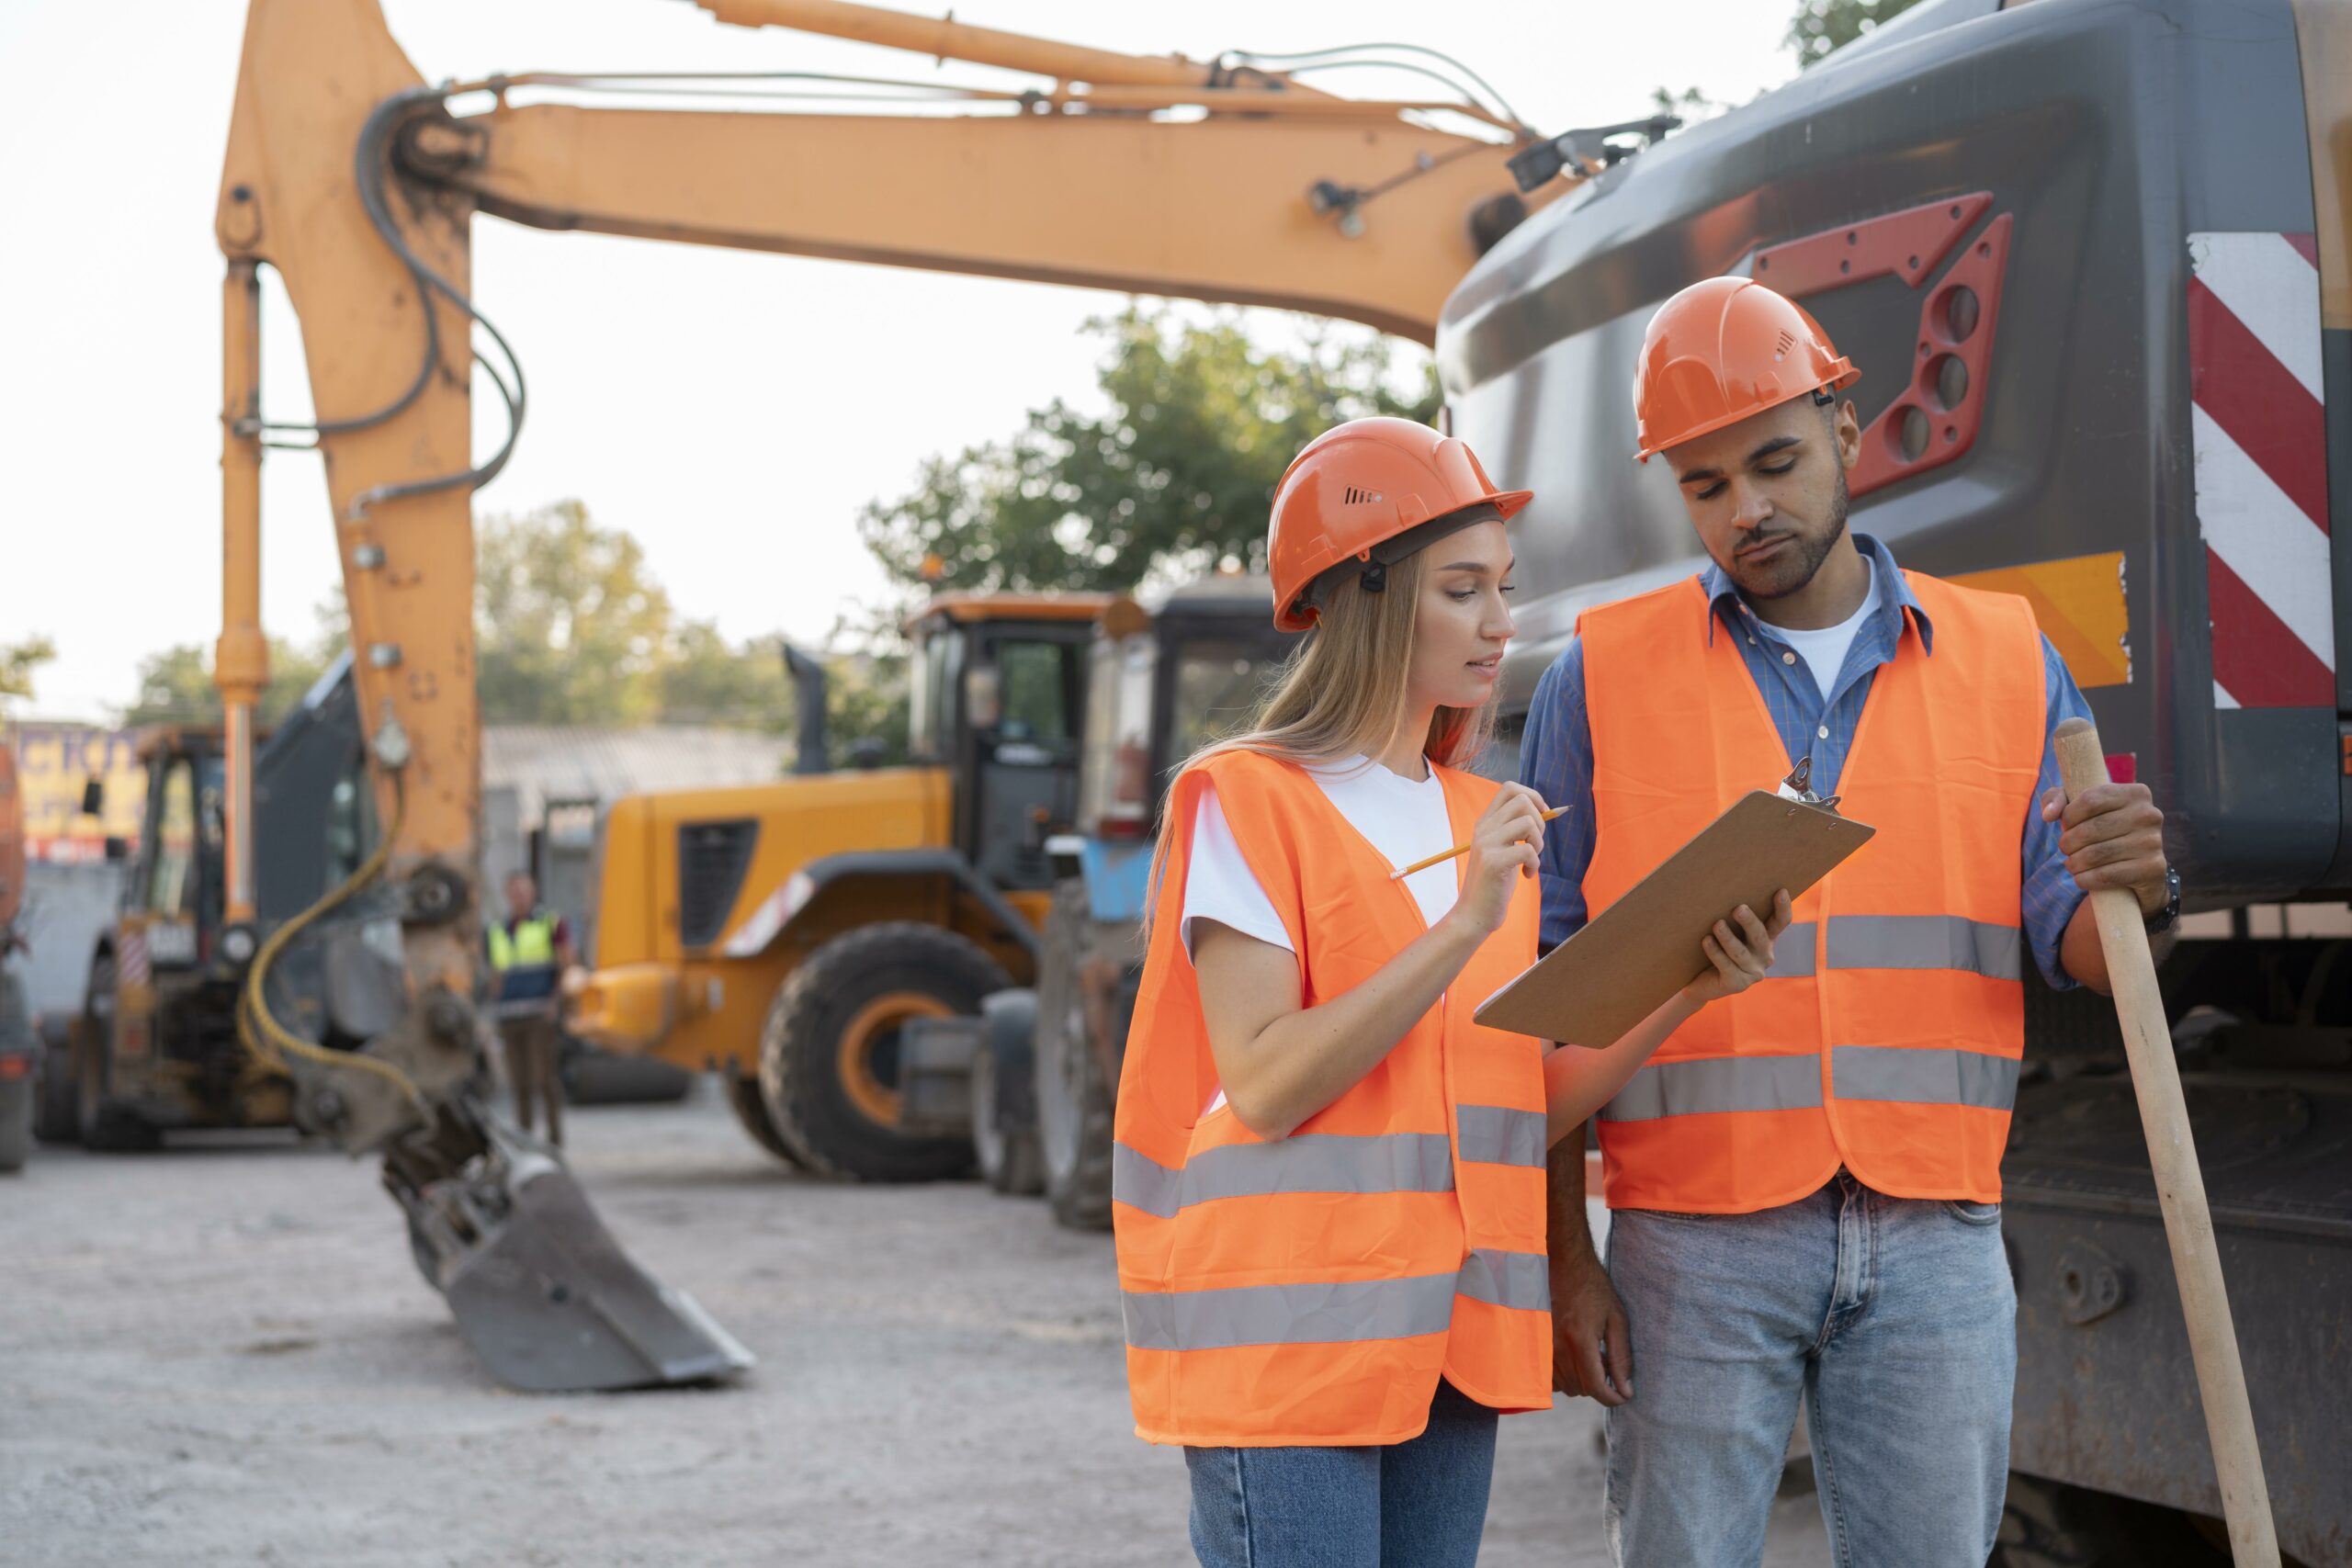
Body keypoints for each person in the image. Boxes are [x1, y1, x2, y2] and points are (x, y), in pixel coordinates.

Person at [1519, 277, 2177, 1567]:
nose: (1747, 508)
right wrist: (1564, 1258)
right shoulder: (1597, 676)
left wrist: (2136, 882)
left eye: (1772, 461)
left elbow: (2081, 938)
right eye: (1706, 486)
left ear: (1847, 427)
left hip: (1936, 1229)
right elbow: (1543, 999)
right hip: (1690, 1241)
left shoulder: (2008, 656)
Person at [1111, 416, 1792, 1568]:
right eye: (1461, 589)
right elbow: (1267, 1082)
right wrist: (1462, 924)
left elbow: (1518, 1097)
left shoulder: (1483, 819)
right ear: (1368, 600)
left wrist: (1688, 983)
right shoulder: (1245, 799)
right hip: (1288, 1347)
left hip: (1450, 1340)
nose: (1498, 623)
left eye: (1503, 589)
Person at [487, 870, 572, 1146]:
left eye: (523, 891)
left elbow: (566, 965)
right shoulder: (498, 930)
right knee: (519, 1083)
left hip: (539, 1014)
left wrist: (555, 1002)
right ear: (507, 895)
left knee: (545, 1080)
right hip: (510, 1016)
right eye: (514, 892)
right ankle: (525, 1141)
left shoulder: (549, 924)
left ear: (533, 892)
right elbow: (497, 975)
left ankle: (554, 1141)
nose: (519, 897)